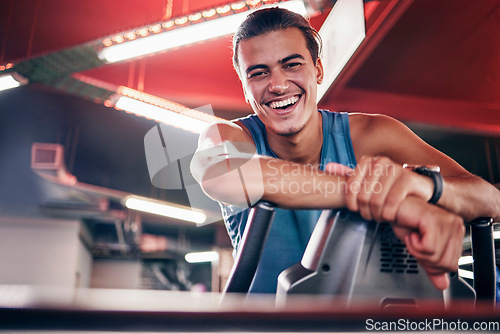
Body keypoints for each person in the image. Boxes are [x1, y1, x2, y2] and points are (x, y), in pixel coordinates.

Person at [190, 7, 500, 294]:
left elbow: (490, 199)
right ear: (245, 89)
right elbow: (220, 174)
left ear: (318, 70)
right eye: (258, 73)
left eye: (292, 65)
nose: (278, 85)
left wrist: (424, 187)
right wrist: (394, 201)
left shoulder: (372, 134)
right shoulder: (227, 135)